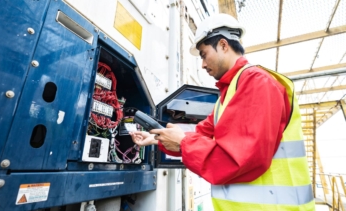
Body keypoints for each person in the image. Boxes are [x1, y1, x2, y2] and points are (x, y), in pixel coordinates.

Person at [129, 13, 314, 211]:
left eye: (203, 54)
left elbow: (241, 160)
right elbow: (201, 134)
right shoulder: (229, 93)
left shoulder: (258, 83)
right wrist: (156, 138)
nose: (202, 64)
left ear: (224, 45)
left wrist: (182, 141)